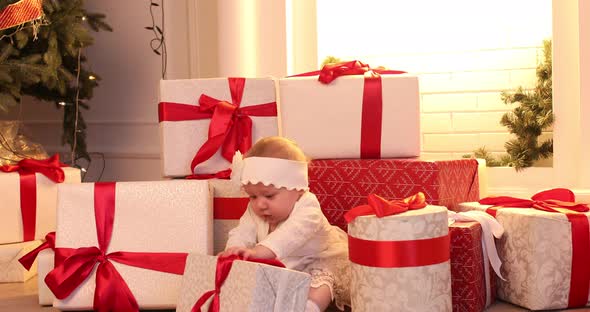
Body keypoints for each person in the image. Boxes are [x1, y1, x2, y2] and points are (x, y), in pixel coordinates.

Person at [219, 136, 351, 312]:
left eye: (269, 195)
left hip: (317, 258)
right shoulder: (255, 210)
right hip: (282, 263)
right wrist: (234, 251)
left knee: (322, 280)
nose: (260, 204)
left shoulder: (308, 208)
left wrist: (257, 252)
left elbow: (290, 235)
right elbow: (242, 231)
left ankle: (310, 307)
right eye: (253, 196)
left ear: (298, 189)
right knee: (259, 279)